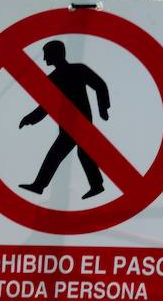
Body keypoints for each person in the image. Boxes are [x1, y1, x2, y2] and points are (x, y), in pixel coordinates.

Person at [17, 40, 110, 199]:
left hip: (77, 123)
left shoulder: (75, 70)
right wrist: (30, 118)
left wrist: (103, 108)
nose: (44, 59)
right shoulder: (54, 78)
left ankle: (40, 185)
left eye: (46, 55)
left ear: (55, 54)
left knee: (56, 154)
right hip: (70, 123)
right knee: (82, 153)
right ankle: (96, 185)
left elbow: (99, 85)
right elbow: (46, 106)